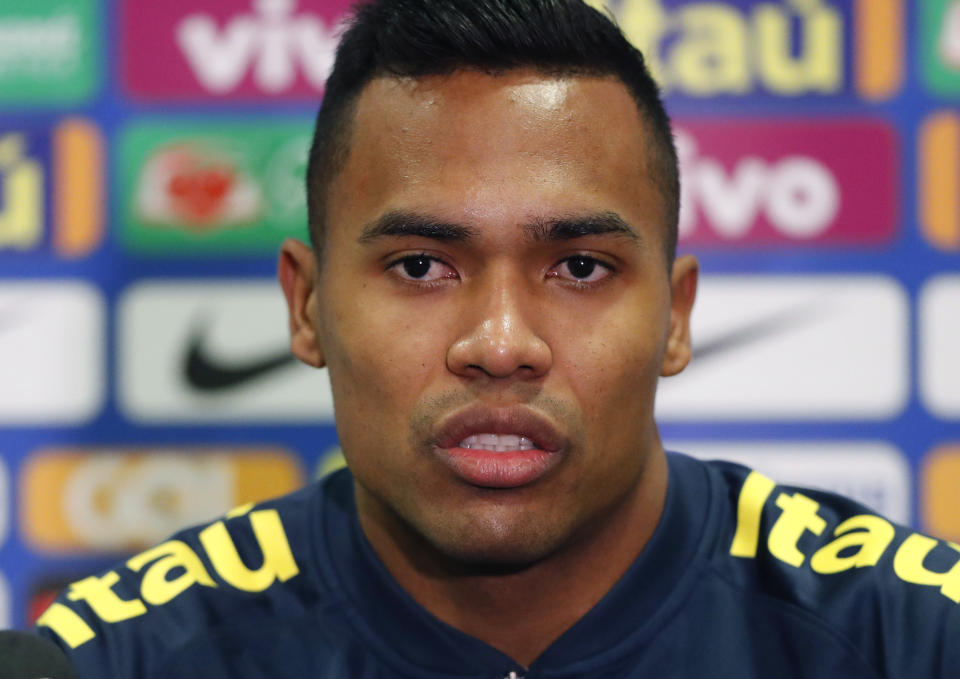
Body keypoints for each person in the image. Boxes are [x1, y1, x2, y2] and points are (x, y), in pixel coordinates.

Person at [35, 0, 960, 676]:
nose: (501, 341)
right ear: (307, 306)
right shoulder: (124, 658)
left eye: (581, 267)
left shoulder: (905, 635)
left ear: (676, 317)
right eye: (420, 267)